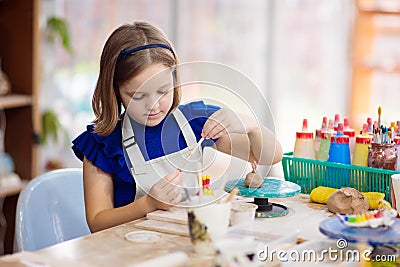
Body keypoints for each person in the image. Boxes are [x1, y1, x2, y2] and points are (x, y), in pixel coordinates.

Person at [72, 21, 282, 233]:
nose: (153, 105)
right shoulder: (102, 143)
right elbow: (97, 222)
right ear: (115, 90)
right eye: (138, 95)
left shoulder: (193, 122)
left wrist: (252, 126)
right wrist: (147, 204)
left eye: (163, 91)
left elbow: (269, 156)